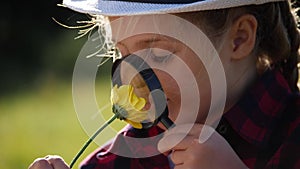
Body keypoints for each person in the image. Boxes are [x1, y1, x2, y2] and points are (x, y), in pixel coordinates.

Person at [29, 0, 300, 169]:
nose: (133, 83)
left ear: (239, 38)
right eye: (124, 55)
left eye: (158, 54)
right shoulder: (128, 158)